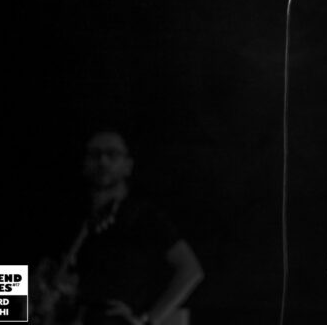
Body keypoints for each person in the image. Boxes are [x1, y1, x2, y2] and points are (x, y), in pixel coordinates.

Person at [31, 130, 204, 325]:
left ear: (128, 165)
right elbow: (36, 278)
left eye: (112, 154)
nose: (103, 161)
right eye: (95, 155)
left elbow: (191, 270)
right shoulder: (71, 216)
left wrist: (148, 320)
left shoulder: (144, 217)